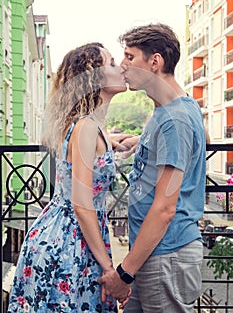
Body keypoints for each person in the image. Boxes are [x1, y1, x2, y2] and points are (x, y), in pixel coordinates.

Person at [7, 43, 130, 312]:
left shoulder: (89, 125)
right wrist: (111, 272)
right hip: (69, 242)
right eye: (111, 63)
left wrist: (117, 143)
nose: (120, 67)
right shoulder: (86, 127)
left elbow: (90, 151)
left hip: (67, 235)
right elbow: (82, 205)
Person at [99, 23, 206, 313]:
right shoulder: (172, 110)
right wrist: (145, 141)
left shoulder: (175, 121)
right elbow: (194, 140)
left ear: (155, 62)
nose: (122, 66)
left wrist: (124, 273)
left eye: (130, 57)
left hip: (167, 255)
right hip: (152, 255)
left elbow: (165, 209)